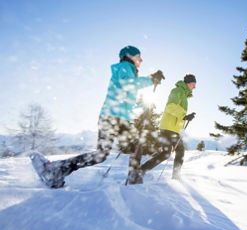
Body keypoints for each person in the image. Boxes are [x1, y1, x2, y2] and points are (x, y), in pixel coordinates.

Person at [40, 45, 165, 188]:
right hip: (113, 118)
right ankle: (134, 180)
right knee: (129, 147)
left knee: (104, 154)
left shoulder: (129, 72)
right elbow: (128, 85)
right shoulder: (124, 66)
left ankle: (58, 169)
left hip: (117, 118)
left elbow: (125, 98)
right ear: (129, 56)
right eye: (138, 56)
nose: (141, 60)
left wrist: (142, 105)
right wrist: (150, 79)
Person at [128, 74, 196, 184]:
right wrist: (184, 116)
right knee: (171, 152)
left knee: (172, 152)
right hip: (169, 128)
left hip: (174, 128)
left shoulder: (183, 95)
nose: (194, 87)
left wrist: (186, 116)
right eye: (193, 84)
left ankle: (143, 171)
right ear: (188, 83)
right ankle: (142, 172)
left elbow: (177, 110)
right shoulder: (177, 91)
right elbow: (170, 107)